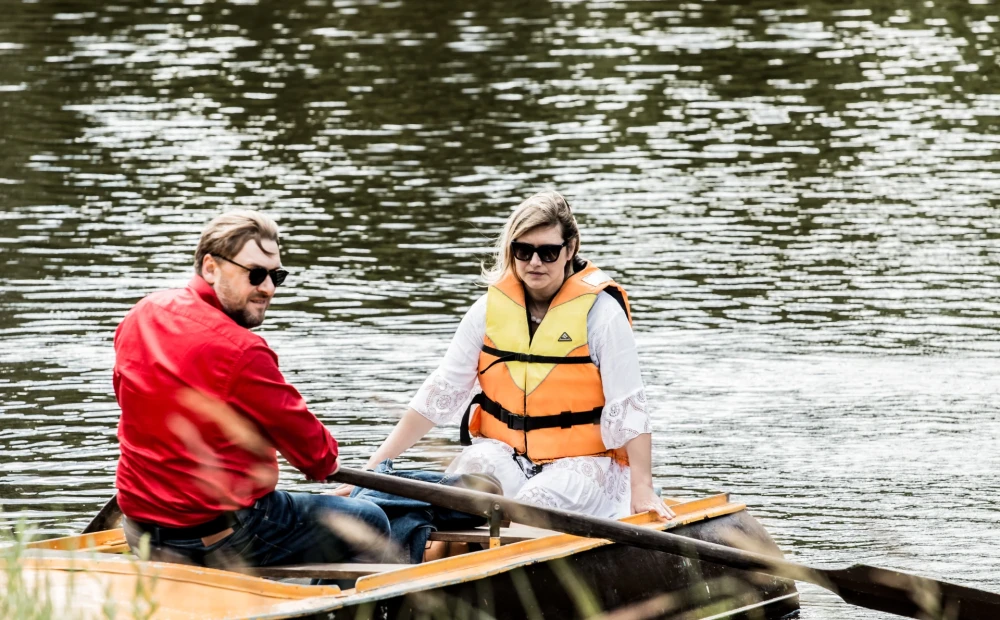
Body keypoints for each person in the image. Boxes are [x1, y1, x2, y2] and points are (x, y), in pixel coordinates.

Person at [338, 191, 673, 521]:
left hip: (586, 462)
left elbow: (630, 407)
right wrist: (369, 473)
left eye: (548, 252)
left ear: (570, 249)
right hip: (506, 453)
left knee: (529, 506)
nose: (534, 263)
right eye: (523, 251)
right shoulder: (487, 311)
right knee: (464, 488)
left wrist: (642, 487)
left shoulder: (602, 315)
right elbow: (437, 395)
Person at [113, 209, 390, 569]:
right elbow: (319, 458)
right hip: (219, 538)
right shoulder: (242, 351)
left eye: (277, 275)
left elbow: (130, 400)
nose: (268, 288)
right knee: (368, 519)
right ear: (210, 267)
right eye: (255, 274)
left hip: (138, 530)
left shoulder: (142, 313)